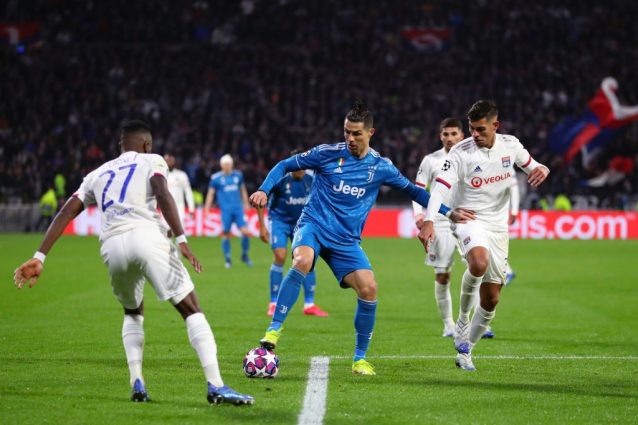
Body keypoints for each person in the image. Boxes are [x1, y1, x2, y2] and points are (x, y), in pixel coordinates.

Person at [13, 120, 254, 405]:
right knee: (191, 308)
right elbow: (161, 191)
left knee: (132, 312)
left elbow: (68, 209)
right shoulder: (152, 160)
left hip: (112, 247)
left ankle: (137, 381)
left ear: (121, 145)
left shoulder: (97, 173)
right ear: (146, 145)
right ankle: (216, 385)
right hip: (147, 237)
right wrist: (182, 239)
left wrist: (39, 256)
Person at [249, 101, 474, 375]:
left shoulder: (380, 167)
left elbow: (415, 192)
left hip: (346, 240)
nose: (350, 138)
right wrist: (263, 190)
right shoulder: (326, 153)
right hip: (314, 225)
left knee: (369, 288)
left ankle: (359, 359)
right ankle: (273, 331)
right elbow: (285, 164)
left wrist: (448, 212)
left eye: (356, 133)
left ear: (370, 133)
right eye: (347, 132)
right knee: (302, 260)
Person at [420, 100, 550, 371]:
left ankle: (467, 350)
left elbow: (534, 166)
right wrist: (429, 220)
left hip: (498, 226)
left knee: (492, 298)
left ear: (495, 126)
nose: (475, 134)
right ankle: (462, 321)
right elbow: (439, 189)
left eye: (480, 129)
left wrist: (543, 169)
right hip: (468, 219)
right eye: (471, 129)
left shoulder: (511, 145)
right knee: (478, 262)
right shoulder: (461, 152)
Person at [256, 151, 328, 317]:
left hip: (301, 224)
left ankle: (309, 304)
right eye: (298, 167)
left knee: (307, 260)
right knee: (280, 256)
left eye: (303, 167)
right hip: (279, 222)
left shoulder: (311, 180)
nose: (301, 170)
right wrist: (262, 227)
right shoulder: (280, 180)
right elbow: (260, 200)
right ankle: (273, 303)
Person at [413, 118, 465, 338]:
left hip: (467, 220)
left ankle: (476, 323)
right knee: (443, 275)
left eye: (454, 134)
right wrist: (419, 214)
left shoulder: (472, 156)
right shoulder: (431, 160)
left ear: (462, 135)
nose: (450, 138)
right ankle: (448, 324)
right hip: (441, 222)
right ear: (440, 136)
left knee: (478, 269)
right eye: (446, 134)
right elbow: (418, 189)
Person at [205, 154, 252, 268]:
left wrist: (246, 203)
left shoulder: (238, 175)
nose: (227, 166)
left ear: (232, 165)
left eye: (229, 164)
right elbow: (211, 194)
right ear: (221, 165)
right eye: (225, 164)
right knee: (226, 233)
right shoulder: (216, 178)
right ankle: (227, 259)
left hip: (238, 209)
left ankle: (245, 255)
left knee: (245, 232)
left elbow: (243, 190)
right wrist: (207, 208)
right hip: (226, 210)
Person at [164, 153, 195, 228]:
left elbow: (188, 192)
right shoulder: (160, 175)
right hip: (165, 206)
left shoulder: (182, 175)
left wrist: (191, 208)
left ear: (174, 161)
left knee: (180, 229)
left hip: (179, 206)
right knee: (166, 229)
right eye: (167, 160)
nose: (169, 162)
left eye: (170, 160)